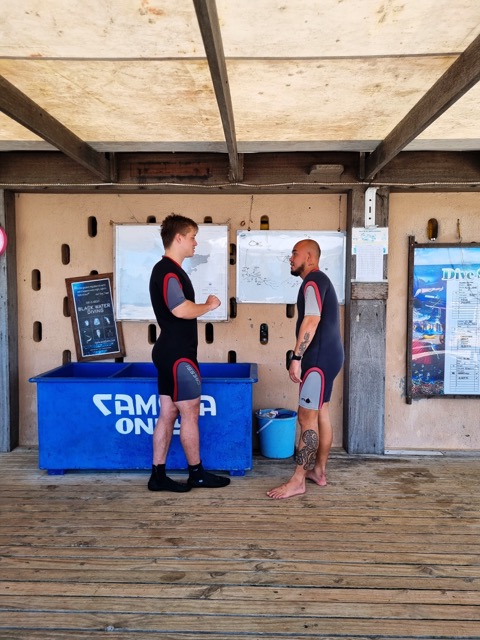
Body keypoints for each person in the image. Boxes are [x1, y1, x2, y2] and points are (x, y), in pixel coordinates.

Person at [148, 214, 230, 492]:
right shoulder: (168, 271)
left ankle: (158, 476)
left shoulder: (165, 270)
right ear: (179, 238)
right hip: (178, 356)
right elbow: (180, 309)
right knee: (190, 412)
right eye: (193, 237)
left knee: (168, 413)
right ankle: (197, 473)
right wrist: (208, 305)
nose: (196, 243)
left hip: (169, 352)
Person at [267, 239, 344, 499]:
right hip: (330, 356)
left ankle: (298, 481)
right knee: (321, 412)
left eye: (295, 254)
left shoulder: (313, 281)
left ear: (309, 258)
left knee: (306, 418)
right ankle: (318, 472)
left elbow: (311, 320)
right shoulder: (320, 281)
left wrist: (297, 356)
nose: (290, 258)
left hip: (318, 359)